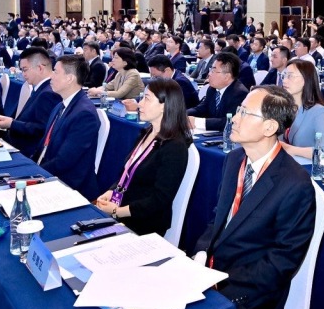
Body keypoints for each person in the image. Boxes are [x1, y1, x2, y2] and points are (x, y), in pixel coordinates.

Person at [192, 86, 317, 309]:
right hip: (210, 275)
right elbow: (219, 218)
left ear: (270, 127)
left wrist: (219, 282)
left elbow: (280, 264)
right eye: (239, 110)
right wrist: (201, 254)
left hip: (250, 301)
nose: (235, 118)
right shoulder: (235, 159)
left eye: (245, 113)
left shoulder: (295, 184)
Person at [95, 79, 192, 236]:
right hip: (124, 211)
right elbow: (128, 172)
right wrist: (112, 192)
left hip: (144, 224)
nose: (140, 104)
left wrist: (117, 211)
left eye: (147, 99)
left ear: (164, 105)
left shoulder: (175, 147)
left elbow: (159, 200)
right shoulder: (146, 133)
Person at [33, 55, 101, 199]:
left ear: (69, 78)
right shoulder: (60, 105)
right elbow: (44, 146)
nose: (51, 76)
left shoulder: (84, 114)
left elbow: (64, 161)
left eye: (56, 72)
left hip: (69, 186)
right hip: (49, 173)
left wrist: (32, 172)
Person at [0, 47, 62, 157]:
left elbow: (41, 129)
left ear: (40, 68)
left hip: (27, 151)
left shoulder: (48, 93)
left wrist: (11, 123)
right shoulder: (42, 88)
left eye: (25, 70)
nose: (23, 74)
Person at [279, 59, 324, 163]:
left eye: (290, 76)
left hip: (304, 167)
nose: (284, 81)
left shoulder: (318, 112)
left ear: (306, 80)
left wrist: (291, 149)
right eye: (284, 76)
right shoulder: (283, 107)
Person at [188, 51, 249, 130]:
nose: (209, 74)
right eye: (210, 70)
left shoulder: (240, 94)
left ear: (226, 76)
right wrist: (181, 115)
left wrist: (198, 122)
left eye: (213, 71)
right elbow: (202, 108)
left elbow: (229, 121)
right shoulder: (212, 89)